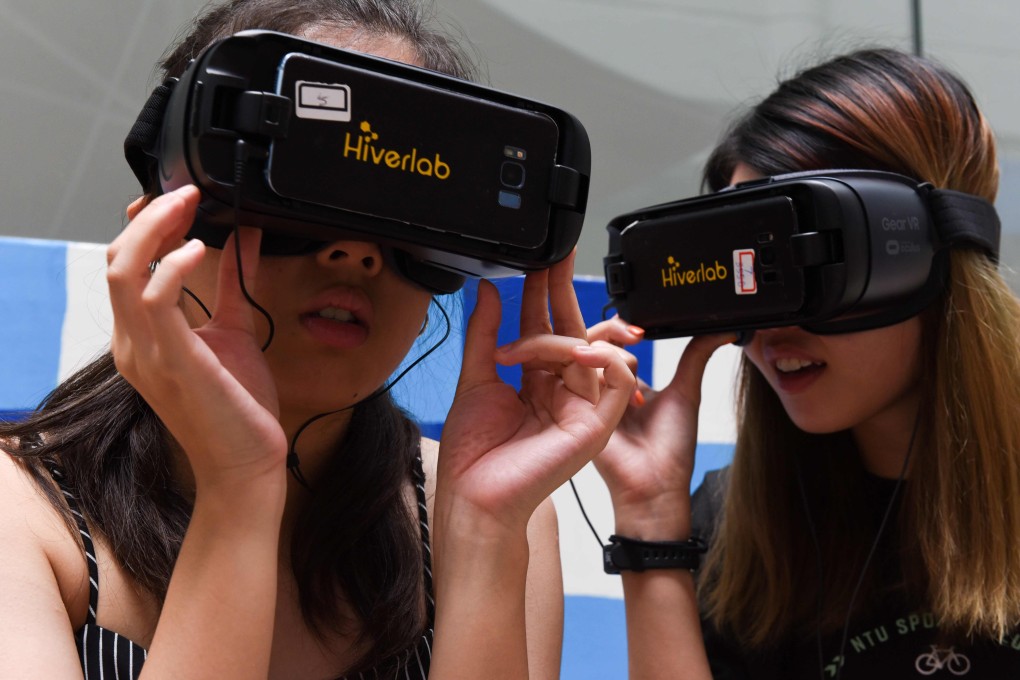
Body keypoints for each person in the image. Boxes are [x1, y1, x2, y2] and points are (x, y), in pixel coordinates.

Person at [0, 1, 634, 678]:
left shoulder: (487, 507)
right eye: (302, 187)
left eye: (401, 211)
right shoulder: (23, 517)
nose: (355, 251)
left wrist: (481, 536)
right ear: (169, 219)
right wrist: (238, 490)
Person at [590, 48, 1020, 679]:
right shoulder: (738, 532)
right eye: (754, 278)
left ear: (920, 253)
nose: (771, 323)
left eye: (810, 268)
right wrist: (650, 521)